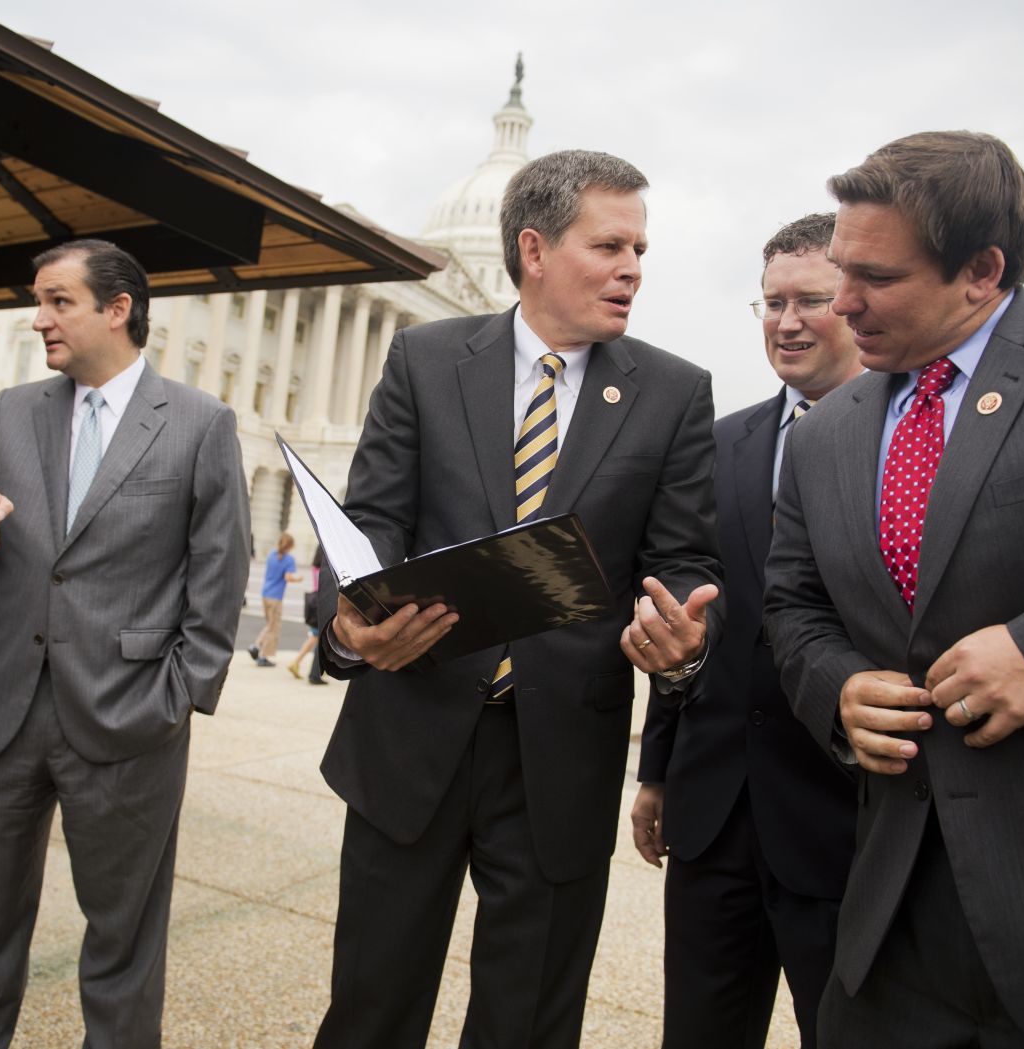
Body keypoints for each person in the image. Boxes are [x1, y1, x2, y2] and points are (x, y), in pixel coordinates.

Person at [763, 131, 1024, 1049]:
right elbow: (792, 607)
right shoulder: (824, 436)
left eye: (874, 277)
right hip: (893, 931)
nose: (842, 303)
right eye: (841, 269)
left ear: (982, 270)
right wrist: (837, 686)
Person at [313, 149, 723, 1049]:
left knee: (528, 1024)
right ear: (534, 249)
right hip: (409, 736)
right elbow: (371, 521)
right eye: (609, 244)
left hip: (558, 759)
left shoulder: (674, 394)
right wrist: (348, 621)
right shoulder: (423, 359)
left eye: (641, 249)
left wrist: (683, 638)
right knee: (370, 1009)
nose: (633, 269)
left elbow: (683, 562)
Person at [0, 239, 250, 1048]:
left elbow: (219, 575)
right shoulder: (14, 408)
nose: (38, 319)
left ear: (118, 309)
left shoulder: (202, 423)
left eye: (57, 300)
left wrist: (176, 698)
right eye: (38, 300)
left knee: (122, 946)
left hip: (129, 719)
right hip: (0, 706)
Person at [632, 213, 862, 1048]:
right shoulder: (717, 443)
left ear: (856, 299)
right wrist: (656, 768)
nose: (787, 320)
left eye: (811, 299)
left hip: (841, 820)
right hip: (712, 812)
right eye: (771, 302)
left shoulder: (905, 444)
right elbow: (683, 612)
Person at [248, 532, 300, 666]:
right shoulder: (289, 559)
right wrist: (298, 579)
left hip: (266, 593)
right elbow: (288, 577)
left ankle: (256, 646)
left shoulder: (271, 554)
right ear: (290, 546)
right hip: (276, 596)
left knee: (269, 624)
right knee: (274, 627)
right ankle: (263, 657)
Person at [288, 546, 328, 684]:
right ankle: (304, 666)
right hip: (322, 601)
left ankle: (297, 663)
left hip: (315, 600)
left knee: (314, 636)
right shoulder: (326, 568)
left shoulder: (315, 567)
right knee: (317, 637)